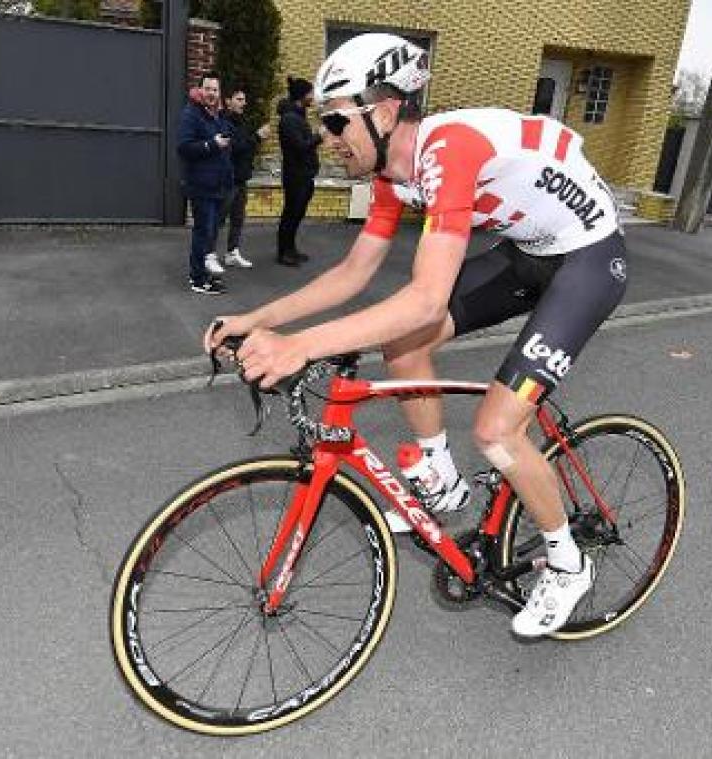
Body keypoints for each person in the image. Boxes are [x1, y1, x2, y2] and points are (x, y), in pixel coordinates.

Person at [206, 33, 628, 637]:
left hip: (588, 260)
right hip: (528, 252)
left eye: (334, 121)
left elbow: (426, 298)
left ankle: (567, 562)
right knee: (402, 342)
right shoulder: (391, 174)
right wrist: (259, 320)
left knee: (496, 430)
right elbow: (354, 273)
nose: (326, 138)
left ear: (381, 113)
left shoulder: (449, 152)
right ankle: (440, 479)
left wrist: (302, 345)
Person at [177, 72, 234, 295]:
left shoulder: (216, 115)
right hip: (201, 186)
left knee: (209, 233)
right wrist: (212, 144)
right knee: (203, 233)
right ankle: (198, 279)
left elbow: (226, 141)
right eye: (208, 89)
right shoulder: (191, 115)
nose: (211, 93)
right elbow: (184, 147)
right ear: (200, 90)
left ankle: (202, 274)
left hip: (218, 186)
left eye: (215, 90)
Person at [215, 86, 271, 270]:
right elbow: (236, 148)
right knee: (218, 219)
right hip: (228, 179)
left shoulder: (241, 121)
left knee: (238, 219)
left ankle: (232, 253)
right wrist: (257, 136)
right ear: (228, 101)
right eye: (239, 99)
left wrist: (255, 140)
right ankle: (208, 254)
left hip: (241, 179)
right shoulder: (223, 122)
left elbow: (247, 148)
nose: (243, 103)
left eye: (244, 100)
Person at [276, 76, 323, 267]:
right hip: (295, 176)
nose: (312, 96)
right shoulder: (289, 119)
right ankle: (283, 252)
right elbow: (301, 146)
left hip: (304, 175)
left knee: (297, 215)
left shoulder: (299, 116)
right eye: (310, 93)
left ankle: (291, 249)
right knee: (291, 214)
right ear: (302, 95)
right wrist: (319, 136)